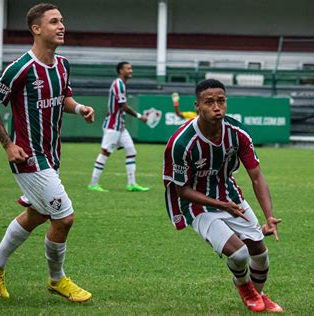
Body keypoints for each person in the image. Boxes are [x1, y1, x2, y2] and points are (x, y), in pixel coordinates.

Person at [0, 3, 94, 302]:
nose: (61, 26)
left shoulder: (63, 64)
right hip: (28, 157)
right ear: (36, 29)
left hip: (52, 155)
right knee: (64, 218)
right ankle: (57, 280)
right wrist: (8, 144)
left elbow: (63, 97)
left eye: (62, 21)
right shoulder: (20, 68)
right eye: (54, 21)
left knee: (37, 214)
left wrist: (79, 108)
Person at [163, 79, 283, 312]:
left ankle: (258, 294)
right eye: (209, 102)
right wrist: (221, 205)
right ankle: (243, 286)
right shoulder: (181, 143)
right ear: (197, 105)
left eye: (221, 101)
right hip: (195, 204)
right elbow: (182, 191)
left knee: (260, 254)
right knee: (239, 254)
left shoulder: (237, 133)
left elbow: (256, 177)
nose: (216, 107)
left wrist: (269, 217)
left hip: (230, 196)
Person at [88, 62, 150, 192]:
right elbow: (124, 106)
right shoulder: (118, 84)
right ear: (121, 71)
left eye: (131, 68)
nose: (131, 70)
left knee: (131, 151)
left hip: (120, 126)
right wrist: (140, 116)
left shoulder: (121, 84)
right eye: (128, 68)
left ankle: (132, 184)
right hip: (113, 126)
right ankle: (93, 184)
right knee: (105, 152)